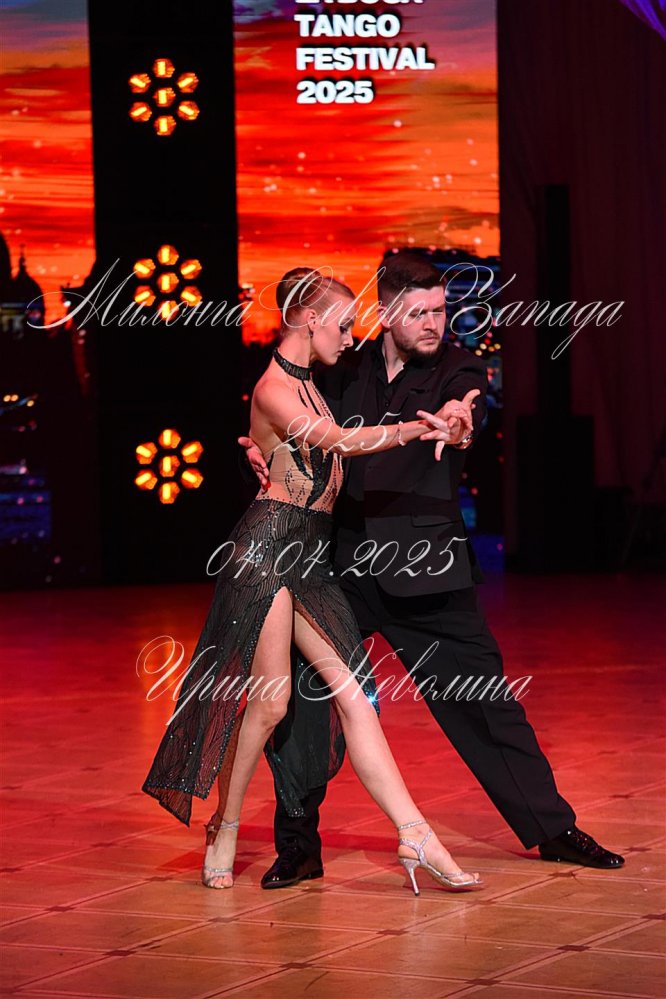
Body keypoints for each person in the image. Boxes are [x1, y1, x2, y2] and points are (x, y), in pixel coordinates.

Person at [241, 251, 625, 890]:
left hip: (428, 569)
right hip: (344, 567)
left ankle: (554, 829)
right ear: (386, 313)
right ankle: (299, 848)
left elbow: (464, 409)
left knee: (485, 703)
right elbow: (290, 414)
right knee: (304, 701)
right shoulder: (345, 367)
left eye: (441, 311)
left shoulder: (457, 366)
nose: (433, 323)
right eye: (418, 312)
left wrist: (459, 422)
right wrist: (257, 447)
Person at [143, 267, 484, 895]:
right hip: (266, 551)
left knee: (357, 697)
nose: (351, 337)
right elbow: (337, 442)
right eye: (343, 325)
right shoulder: (275, 387)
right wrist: (418, 426)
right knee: (271, 703)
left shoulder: (312, 384)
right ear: (307, 319)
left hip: (310, 556)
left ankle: (415, 835)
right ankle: (224, 825)